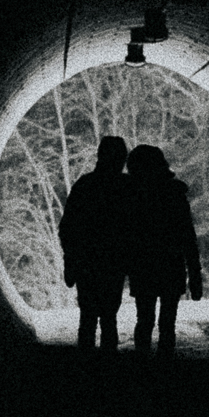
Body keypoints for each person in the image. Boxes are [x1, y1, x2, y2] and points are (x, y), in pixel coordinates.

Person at [57, 136, 136, 352]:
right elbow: (137, 227)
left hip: (87, 264)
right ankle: (108, 374)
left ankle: (87, 374)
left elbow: (67, 228)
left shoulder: (84, 185)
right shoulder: (126, 187)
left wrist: (70, 260)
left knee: (88, 319)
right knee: (109, 318)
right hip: (114, 263)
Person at [126, 144, 201, 359]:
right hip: (172, 266)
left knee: (144, 320)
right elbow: (188, 237)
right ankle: (166, 375)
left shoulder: (133, 195)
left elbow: (125, 235)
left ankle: (143, 371)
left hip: (143, 268)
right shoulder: (175, 194)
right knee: (167, 323)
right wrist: (195, 274)